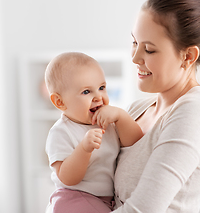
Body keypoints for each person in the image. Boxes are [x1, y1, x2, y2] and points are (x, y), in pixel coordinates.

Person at [112, 0, 200, 212]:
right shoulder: (136, 110)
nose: (135, 58)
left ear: (188, 56)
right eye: (135, 43)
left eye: (150, 50)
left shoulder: (196, 112)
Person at [44, 52, 143, 213]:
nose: (98, 96)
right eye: (86, 92)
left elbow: (136, 144)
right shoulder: (61, 132)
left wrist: (121, 116)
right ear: (60, 102)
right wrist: (84, 149)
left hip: (105, 200)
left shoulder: (108, 122)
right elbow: (67, 178)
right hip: (73, 199)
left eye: (102, 88)